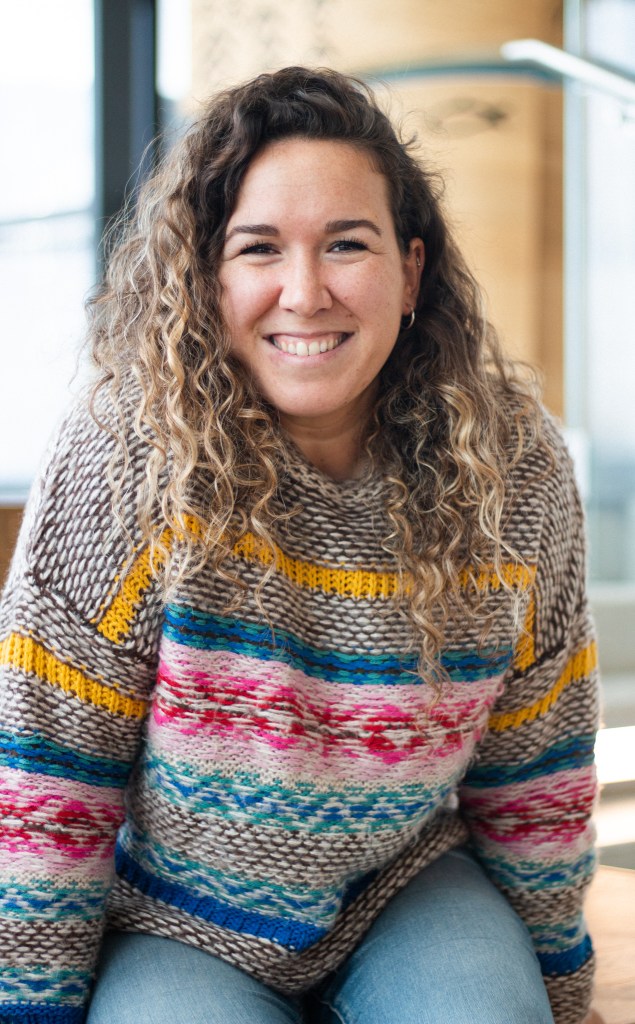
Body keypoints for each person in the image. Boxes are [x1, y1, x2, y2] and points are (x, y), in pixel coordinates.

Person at [0, 67, 601, 1024]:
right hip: (170, 911)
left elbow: (538, 758)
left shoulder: (512, 464)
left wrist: (559, 995)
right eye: (258, 249)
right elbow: (48, 770)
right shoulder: (123, 454)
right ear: (205, 279)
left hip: (402, 888)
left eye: (346, 244)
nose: (304, 291)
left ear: (410, 273)